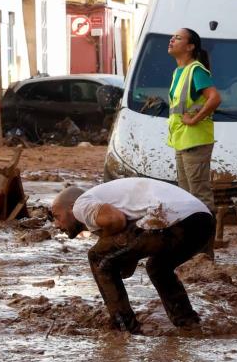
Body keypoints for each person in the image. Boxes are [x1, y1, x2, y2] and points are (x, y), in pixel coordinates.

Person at [51, 178, 214, 334]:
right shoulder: (107, 197)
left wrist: (122, 258)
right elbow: (130, 237)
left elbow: (116, 220)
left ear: (71, 207)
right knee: (158, 268)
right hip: (202, 221)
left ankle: (124, 329)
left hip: (170, 216)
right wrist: (126, 258)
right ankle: (189, 324)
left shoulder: (81, 204)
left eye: (57, 216)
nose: (56, 225)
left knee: (97, 257)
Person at [166, 28, 222, 214]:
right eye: (173, 36)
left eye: (178, 37)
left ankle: (206, 237)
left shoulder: (196, 70)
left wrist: (195, 119)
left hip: (195, 140)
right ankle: (191, 235)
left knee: (199, 194)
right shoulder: (178, 72)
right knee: (185, 194)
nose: (172, 39)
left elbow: (215, 98)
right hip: (183, 140)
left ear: (190, 47)